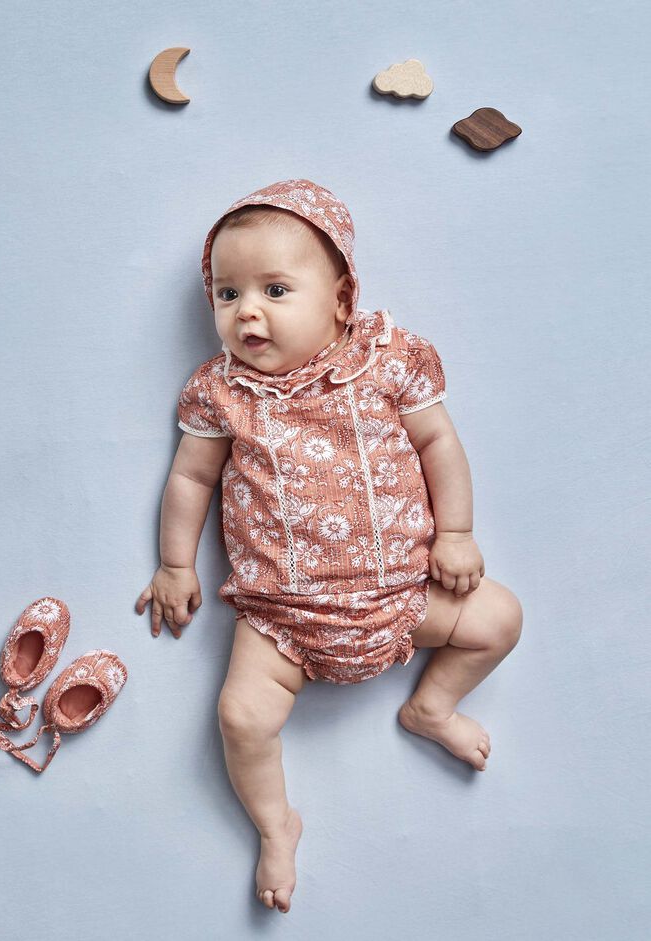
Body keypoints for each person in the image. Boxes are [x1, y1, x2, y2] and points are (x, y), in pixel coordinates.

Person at [135, 178, 523, 914]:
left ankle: (432, 707)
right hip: (280, 618)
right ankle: (275, 825)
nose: (247, 310)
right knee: (242, 718)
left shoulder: (386, 361)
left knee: (500, 618)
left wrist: (457, 533)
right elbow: (191, 478)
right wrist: (175, 564)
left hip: (404, 594)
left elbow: (439, 443)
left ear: (342, 300)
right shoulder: (222, 392)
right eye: (227, 293)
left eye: (276, 290)